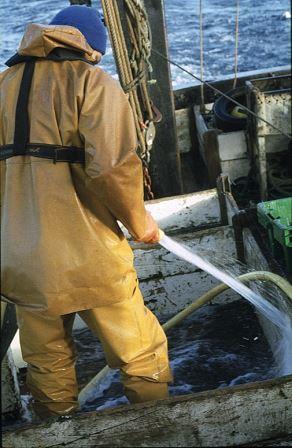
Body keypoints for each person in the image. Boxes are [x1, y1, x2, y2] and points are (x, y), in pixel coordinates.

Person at [0, 5, 172, 419]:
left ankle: (58, 435)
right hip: (88, 253)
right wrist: (139, 222)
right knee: (140, 354)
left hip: (21, 260)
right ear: (91, 47)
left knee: (48, 364)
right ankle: (163, 428)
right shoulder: (91, 81)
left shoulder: (2, 85)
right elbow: (111, 167)